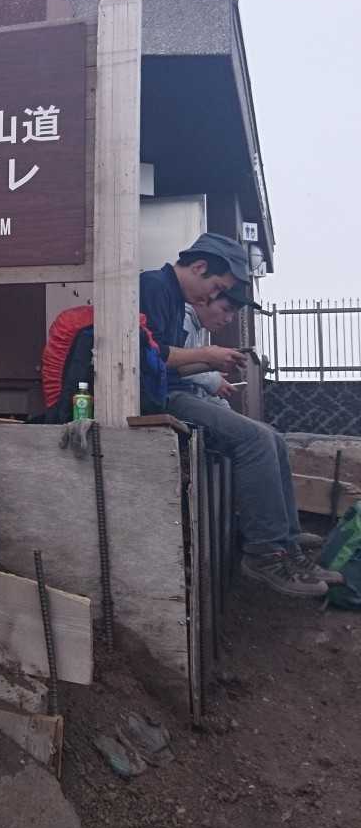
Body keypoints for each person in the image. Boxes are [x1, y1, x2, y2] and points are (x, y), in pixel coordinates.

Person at [139, 233, 330, 597]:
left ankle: (287, 543)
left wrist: (209, 364)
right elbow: (145, 355)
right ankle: (263, 554)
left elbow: (164, 358)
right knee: (254, 440)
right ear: (199, 267)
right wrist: (206, 356)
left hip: (171, 391)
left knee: (271, 437)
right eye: (217, 288)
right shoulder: (153, 286)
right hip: (159, 399)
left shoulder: (173, 296)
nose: (212, 297)